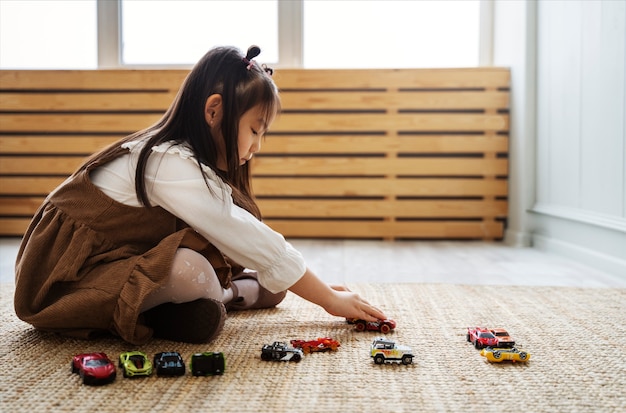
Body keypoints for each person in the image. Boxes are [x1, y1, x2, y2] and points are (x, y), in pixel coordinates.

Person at [14, 45, 386, 345]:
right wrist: (328, 299)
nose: (257, 146)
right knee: (195, 272)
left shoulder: (186, 161)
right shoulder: (165, 161)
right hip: (64, 280)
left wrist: (305, 282)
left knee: (234, 266)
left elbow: (234, 230)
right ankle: (227, 295)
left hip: (120, 258)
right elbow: (241, 232)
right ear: (214, 111)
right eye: (255, 131)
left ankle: (202, 302)